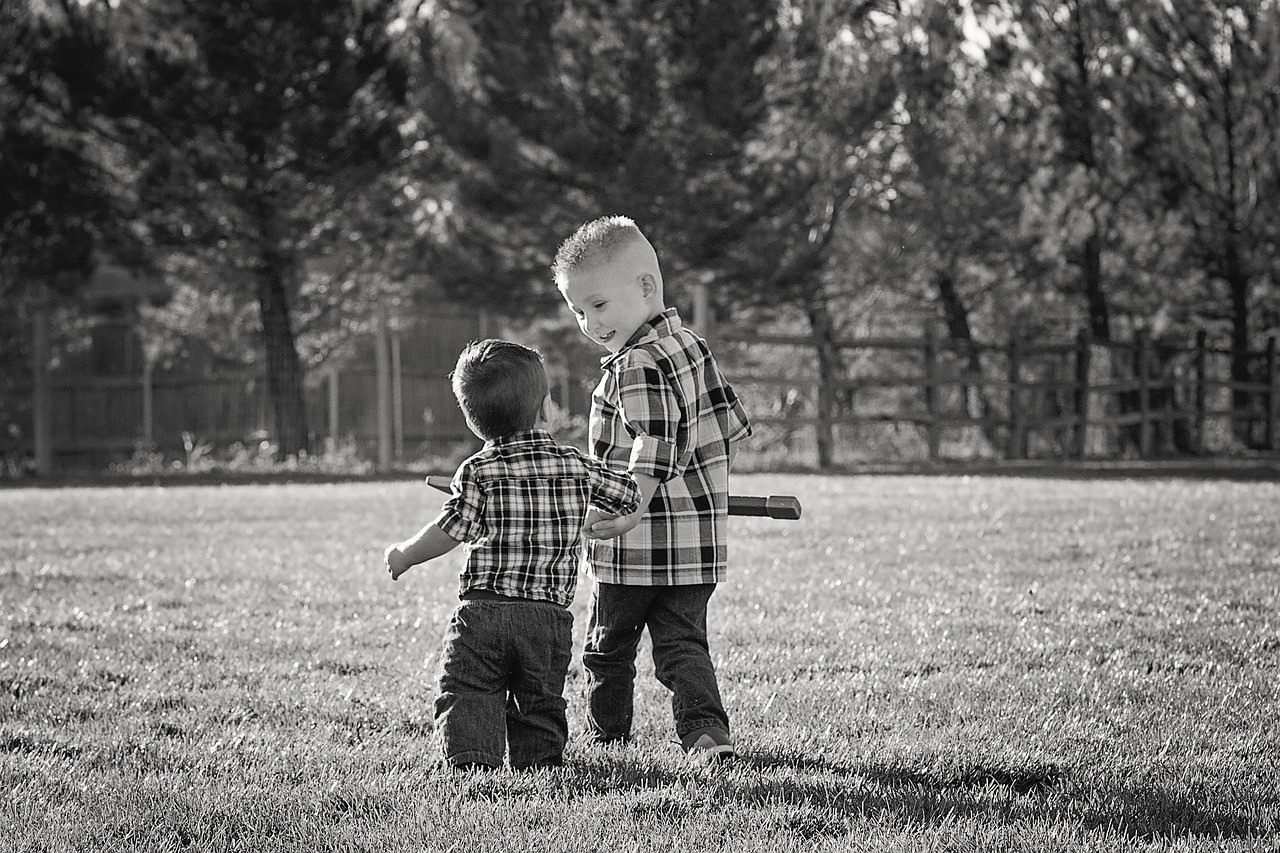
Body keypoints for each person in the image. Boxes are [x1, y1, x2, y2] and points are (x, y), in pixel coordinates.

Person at [383, 339, 641, 771]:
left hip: (484, 610)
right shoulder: (576, 465)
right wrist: (589, 510)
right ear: (546, 408)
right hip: (547, 617)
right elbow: (629, 494)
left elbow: (451, 531)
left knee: (469, 688)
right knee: (539, 698)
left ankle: (471, 763)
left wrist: (405, 554)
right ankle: (540, 764)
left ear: (474, 422)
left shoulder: (477, 470)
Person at [553, 215, 752, 761]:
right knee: (684, 644)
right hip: (696, 547)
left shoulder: (634, 363)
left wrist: (635, 504)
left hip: (632, 547)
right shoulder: (690, 346)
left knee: (607, 648)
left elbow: (654, 440)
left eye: (598, 305)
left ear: (644, 287)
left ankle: (607, 737)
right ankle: (706, 732)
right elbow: (727, 429)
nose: (589, 324)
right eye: (577, 311)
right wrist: (699, 491)